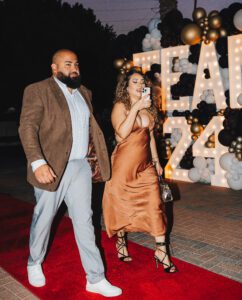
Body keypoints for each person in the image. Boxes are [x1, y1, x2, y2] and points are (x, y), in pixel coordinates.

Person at [19, 49, 122, 297]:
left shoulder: (84, 93)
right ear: (54, 68)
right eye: (67, 63)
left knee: (85, 221)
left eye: (76, 63)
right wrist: (37, 162)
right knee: (44, 218)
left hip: (79, 167)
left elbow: (90, 130)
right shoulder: (38, 90)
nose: (74, 67)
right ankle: (34, 262)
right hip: (51, 167)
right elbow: (27, 128)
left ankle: (95, 278)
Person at [102, 68, 177, 273]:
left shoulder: (149, 108)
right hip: (123, 165)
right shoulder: (121, 106)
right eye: (135, 82)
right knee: (122, 204)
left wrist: (156, 160)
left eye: (142, 82)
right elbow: (122, 134)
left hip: (145, 166)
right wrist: (135, 107)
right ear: (125, 86)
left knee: (155, 204)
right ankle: (121, 240)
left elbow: (150, 137)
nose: (140, 85)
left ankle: (161, 251)